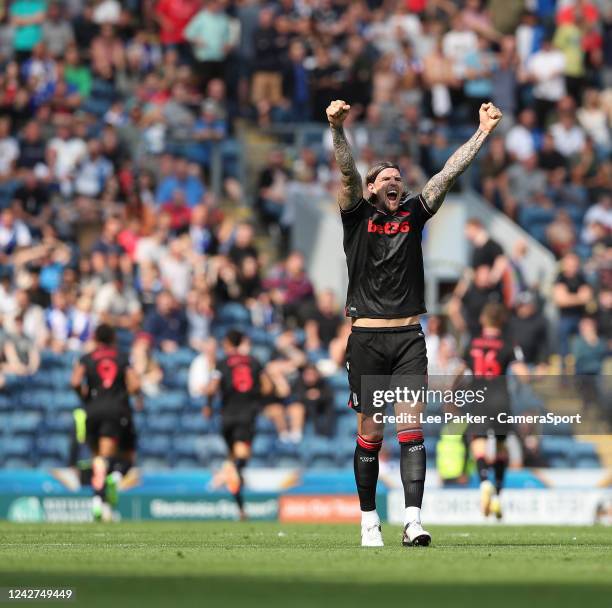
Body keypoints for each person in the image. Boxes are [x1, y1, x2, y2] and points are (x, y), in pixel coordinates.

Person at [326, 98, 502, 547]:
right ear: (370, 189)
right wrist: (337, 129)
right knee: (370, 432)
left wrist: (482, 132)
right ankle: (369, 522)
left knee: (411, 428)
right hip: (366, 337)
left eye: (398, 179)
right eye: (385, 178)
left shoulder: (413, 213)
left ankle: (412, 521)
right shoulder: (356, 215)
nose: (395, 182)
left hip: (408, 338)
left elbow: (447, 174)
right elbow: (346, 173)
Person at [458, 303, 528, 519]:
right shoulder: (508, 343)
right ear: (502, 321)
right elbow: (523, 374)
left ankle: (485, 482)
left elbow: (460, 370)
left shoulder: (472, 342)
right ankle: (497, 495)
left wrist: (451, 392)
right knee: (500, 447)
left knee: (478, 443)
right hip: (500, 399)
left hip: (478, 397)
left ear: (483, 320)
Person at [70, 324, 141, 522]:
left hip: (92, 411)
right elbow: (135, 384)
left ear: (95, 338)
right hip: (116, 410)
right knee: (122, 457)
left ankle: (99, 503)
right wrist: (128, 394)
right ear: (113, 338)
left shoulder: (86, 357)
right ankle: (114, 480)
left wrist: (84, 397)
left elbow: (75, 381)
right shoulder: (122, 357)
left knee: (98, 458)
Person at [203, 330, 272, 519]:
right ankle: (227, 472)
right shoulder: (254, 361)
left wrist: (208, 406)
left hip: (227, 417)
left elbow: (212, 388)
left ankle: (241, 510)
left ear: (227, 343)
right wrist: (255, 396)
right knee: (239, 463)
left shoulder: (222, 363)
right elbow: (267, 387)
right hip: (246, 416)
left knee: (234, 462)